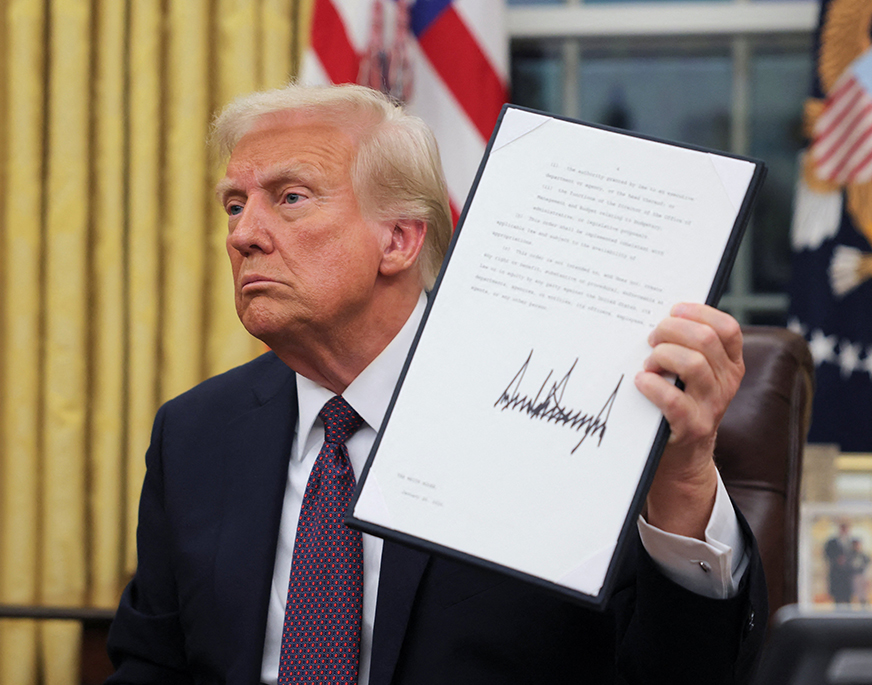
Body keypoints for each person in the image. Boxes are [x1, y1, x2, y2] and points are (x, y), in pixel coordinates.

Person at [105, 84, 766, 685]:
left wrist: (682, 479)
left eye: (290, 198)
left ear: (397, 239)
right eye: (234, 204)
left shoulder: (555, 405)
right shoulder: (195, 432)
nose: (244, 234)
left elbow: (677, 670)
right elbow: (151, 665)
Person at [825, 521, 854, 604]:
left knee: (848, 596)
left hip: (848, 574)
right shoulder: (832, 542)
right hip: (836, 573)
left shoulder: (851, 542)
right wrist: (836, 559)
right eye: (843, 528)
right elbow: (827, 554)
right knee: (837, 597)